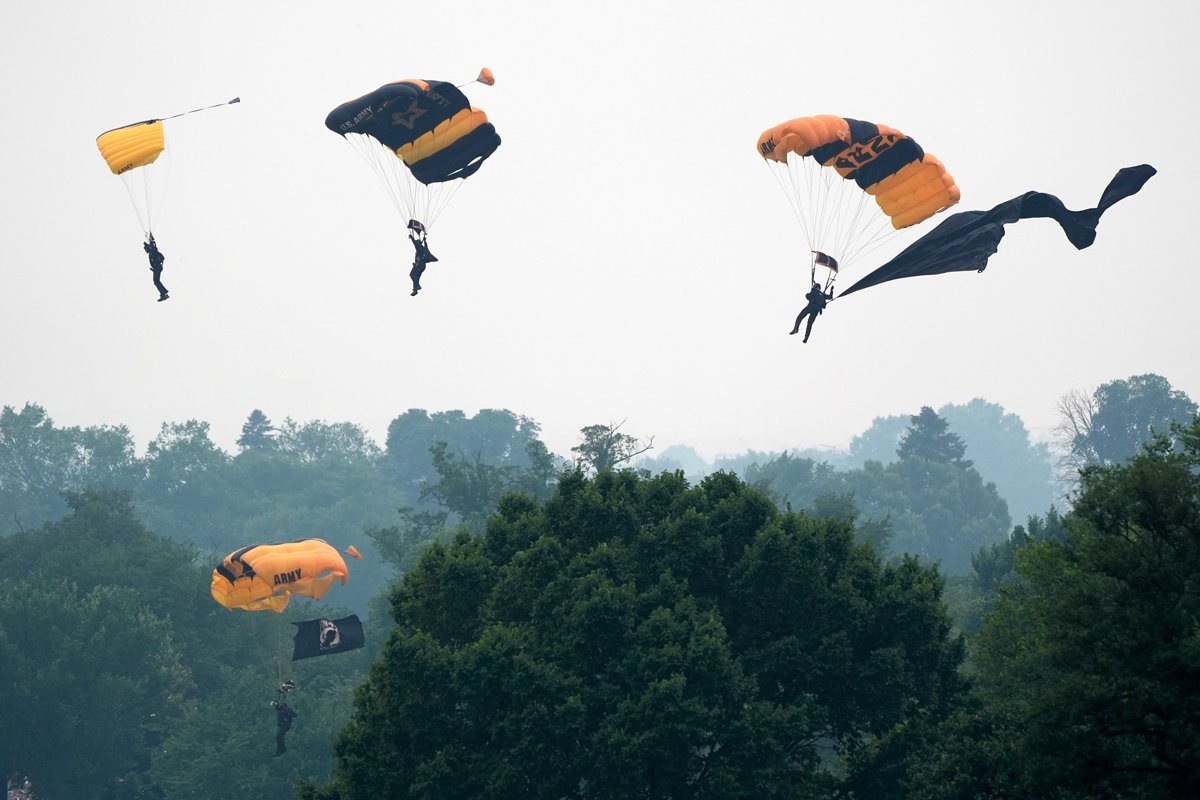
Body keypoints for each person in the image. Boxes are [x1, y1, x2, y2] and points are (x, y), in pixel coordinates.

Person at [406, 219, 438, 296]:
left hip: (419, 265)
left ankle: (417, 287)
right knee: (415, 276)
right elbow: (426, 246)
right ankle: (415, 289)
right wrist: (425, 240)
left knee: (412, 274)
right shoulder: (423, 249)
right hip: (421, 266)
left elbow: (415, 243)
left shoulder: (419, 247)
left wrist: (411, 237)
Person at [143, 236, 169, 302]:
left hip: (158, 267)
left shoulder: (152, 251)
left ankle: (163, 294)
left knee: (156, 281)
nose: (145, 250)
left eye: (145, 249)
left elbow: (154, 247)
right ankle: (164, 291)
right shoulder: (151, 253)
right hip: (156, 268)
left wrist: (151, 241)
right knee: (156, 281)